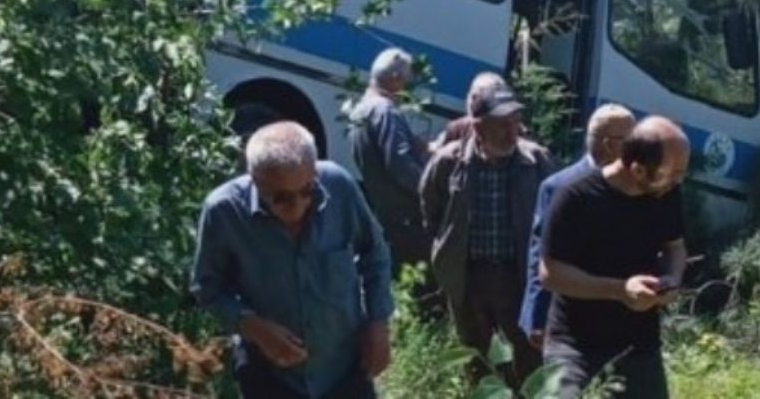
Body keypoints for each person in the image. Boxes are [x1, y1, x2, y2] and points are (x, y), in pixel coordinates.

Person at [192, 122, 393, 399]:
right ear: (255, 179)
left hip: (344, 368)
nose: (297, 205)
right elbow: (207, 288)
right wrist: (254, 327)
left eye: (307, 190)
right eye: (281, 198)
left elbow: (375, 253)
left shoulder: (339, 186)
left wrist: (378, 324)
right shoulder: (223, 211)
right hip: (270, 376)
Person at [539, 116, 689, 399]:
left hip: (639, 346)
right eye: (673, 173)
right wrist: (620, 290)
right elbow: (550, 273)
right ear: (638, 169)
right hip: (576, 346)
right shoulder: (576, 197)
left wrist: (672, 279)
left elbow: (675, 247)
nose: (678, 181)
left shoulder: (667, 195)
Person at [419, 83, 552, 387]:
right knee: (476, 362)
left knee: (529, 361)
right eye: (502, 124)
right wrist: (446, 254)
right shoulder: (448, 162)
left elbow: (555, 219)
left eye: (515, 121)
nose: (511, 131)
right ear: (478, 127)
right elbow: (432, 212)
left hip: (519, 277)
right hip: (469, 279)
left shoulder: (537, 162)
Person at [519, 103, 636, 350]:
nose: (637, 148)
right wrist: (537, 318)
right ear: (609, 144)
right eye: (631, 140)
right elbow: (540, 256)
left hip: (618, 320)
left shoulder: (636, 187)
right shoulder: (560, 187)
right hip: (564, 320)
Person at [348, 47, 431, 270]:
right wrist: (431, 189)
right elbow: (401, 166)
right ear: (394, 79)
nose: (406, 88)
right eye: (406, 81)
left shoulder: (362, 109)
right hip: (405, 220)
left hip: (384, 212)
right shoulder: (385, 111)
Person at [431, 72, 508, 150]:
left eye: (481, 99)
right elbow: (437, 152)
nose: (474, 103)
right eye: (474, 97)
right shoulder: (456, 129)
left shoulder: (512, 130)